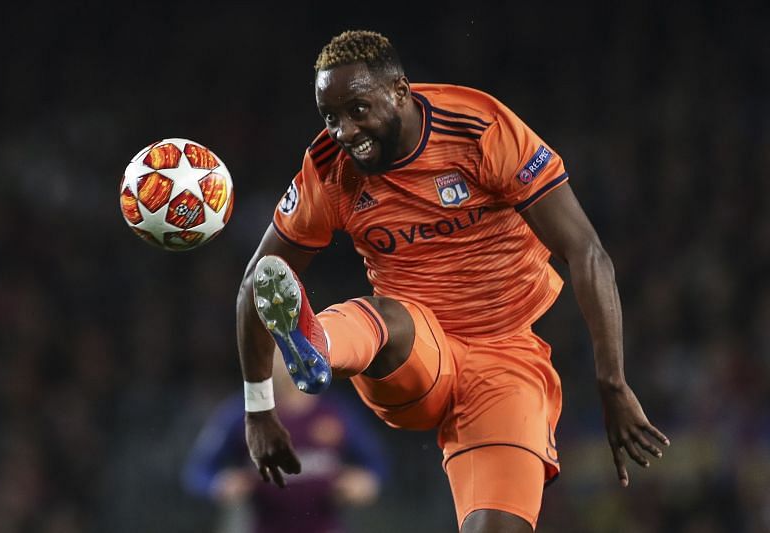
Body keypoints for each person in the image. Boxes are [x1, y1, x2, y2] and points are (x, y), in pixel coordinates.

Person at [236, 30, 670, 532]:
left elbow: (586, 252)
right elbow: (256, 282)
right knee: (388, 315)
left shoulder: (478, 128)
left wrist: (612, 382)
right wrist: (259, 407)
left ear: (399, 90)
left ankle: (321, 342)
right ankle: (316, 344)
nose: (344, 131)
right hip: (415, 353)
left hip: (505, 356)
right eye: (330, 117)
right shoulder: (329, 168)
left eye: (358, 109)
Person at [183, 355, 385, 533]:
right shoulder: (243, 414)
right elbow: (198, 470)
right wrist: (219, 484)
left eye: (295, 348)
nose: (288, 360)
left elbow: (376, 464)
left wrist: (365, 482)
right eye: (279, 351)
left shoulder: (336, 413)